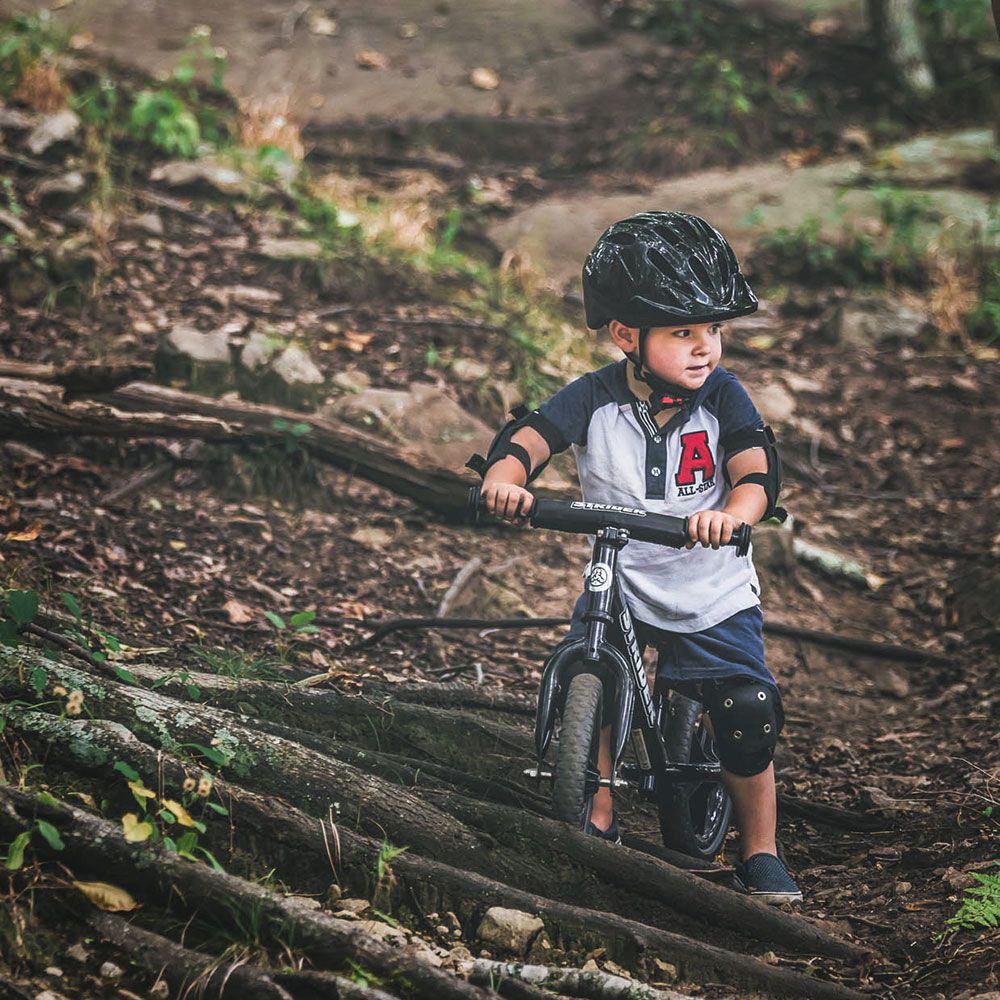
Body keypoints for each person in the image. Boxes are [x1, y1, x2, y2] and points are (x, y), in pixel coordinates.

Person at [476, 211, 802, 905]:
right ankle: (594, 813)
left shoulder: (723, 397)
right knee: (585, 678)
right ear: (627, 335)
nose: (705, 347)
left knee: (744, 709)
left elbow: (755, 473)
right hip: (621, 574)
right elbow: (533, 435)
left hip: (707, 580)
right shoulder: (593, 396)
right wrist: (506, 478)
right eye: (683, 332)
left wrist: (732, 516)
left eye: (713, 330)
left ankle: (762, 851)